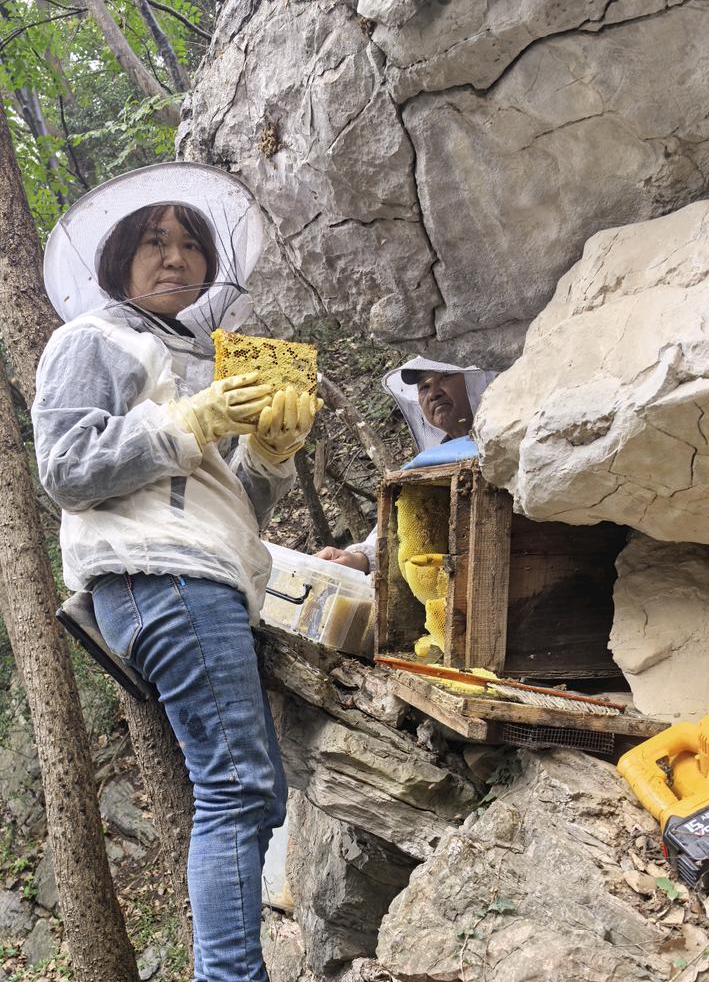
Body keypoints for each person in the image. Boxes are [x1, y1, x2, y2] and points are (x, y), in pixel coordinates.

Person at [31, 163, 316, 982]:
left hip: (202, 575)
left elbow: (229, 504)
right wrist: (187, 420)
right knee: (237, 787)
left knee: (248, 790)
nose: (176, 256)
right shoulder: (90, 339)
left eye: (191, 243)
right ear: (118, 257)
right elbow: (67, 466)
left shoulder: (205, 360)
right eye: (154, 241)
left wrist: (268, 452)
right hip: (159, 576)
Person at [315, 357, 497, 574]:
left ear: (477, 378)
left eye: (445, 377)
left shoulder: (509, 442)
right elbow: (398, 529)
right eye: (424, 387)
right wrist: (358, 558)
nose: (434, 393)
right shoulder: (429, 463)